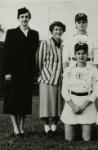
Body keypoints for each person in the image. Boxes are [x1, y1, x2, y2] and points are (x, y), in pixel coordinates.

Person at [3, 7, 39, 137]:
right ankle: (15, 127)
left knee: (24, 101)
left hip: (27, 73)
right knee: (13, 101)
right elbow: (7, 54)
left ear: (29, 18)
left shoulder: (35, 34)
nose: (24, 19)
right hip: (13, 73)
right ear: (18, 18)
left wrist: (35, 73)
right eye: (22, 17)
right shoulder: (11, 33)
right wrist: (7, 72)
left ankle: (22, 127)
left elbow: (35, 54)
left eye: (26, 16)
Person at [60, 42, 98, 141]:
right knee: (69, 138)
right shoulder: (69, 70)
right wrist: (73, 106)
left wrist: (83, 106)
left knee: (87, 138)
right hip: (72, 103)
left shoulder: (93, 70)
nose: (81, 56)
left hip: (87, 103)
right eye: (79, 53)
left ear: (87, 55)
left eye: (84, 53)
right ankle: (75, 126)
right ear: (75, 55)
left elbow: (96, 91)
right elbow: (64, 91)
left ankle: (82, 125)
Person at [36, 21, 66, 135]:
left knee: (57, 102)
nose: (58, 31)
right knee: (46, 102)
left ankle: (54, 123)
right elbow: (39, 60)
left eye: (60, 29)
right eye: (56, 29)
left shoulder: (64, 44)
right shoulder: (45, 43)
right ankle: (46, 124)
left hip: (60, 78)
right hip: (47, 77)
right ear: (51, 31)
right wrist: (44, 73)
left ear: (63, 31)